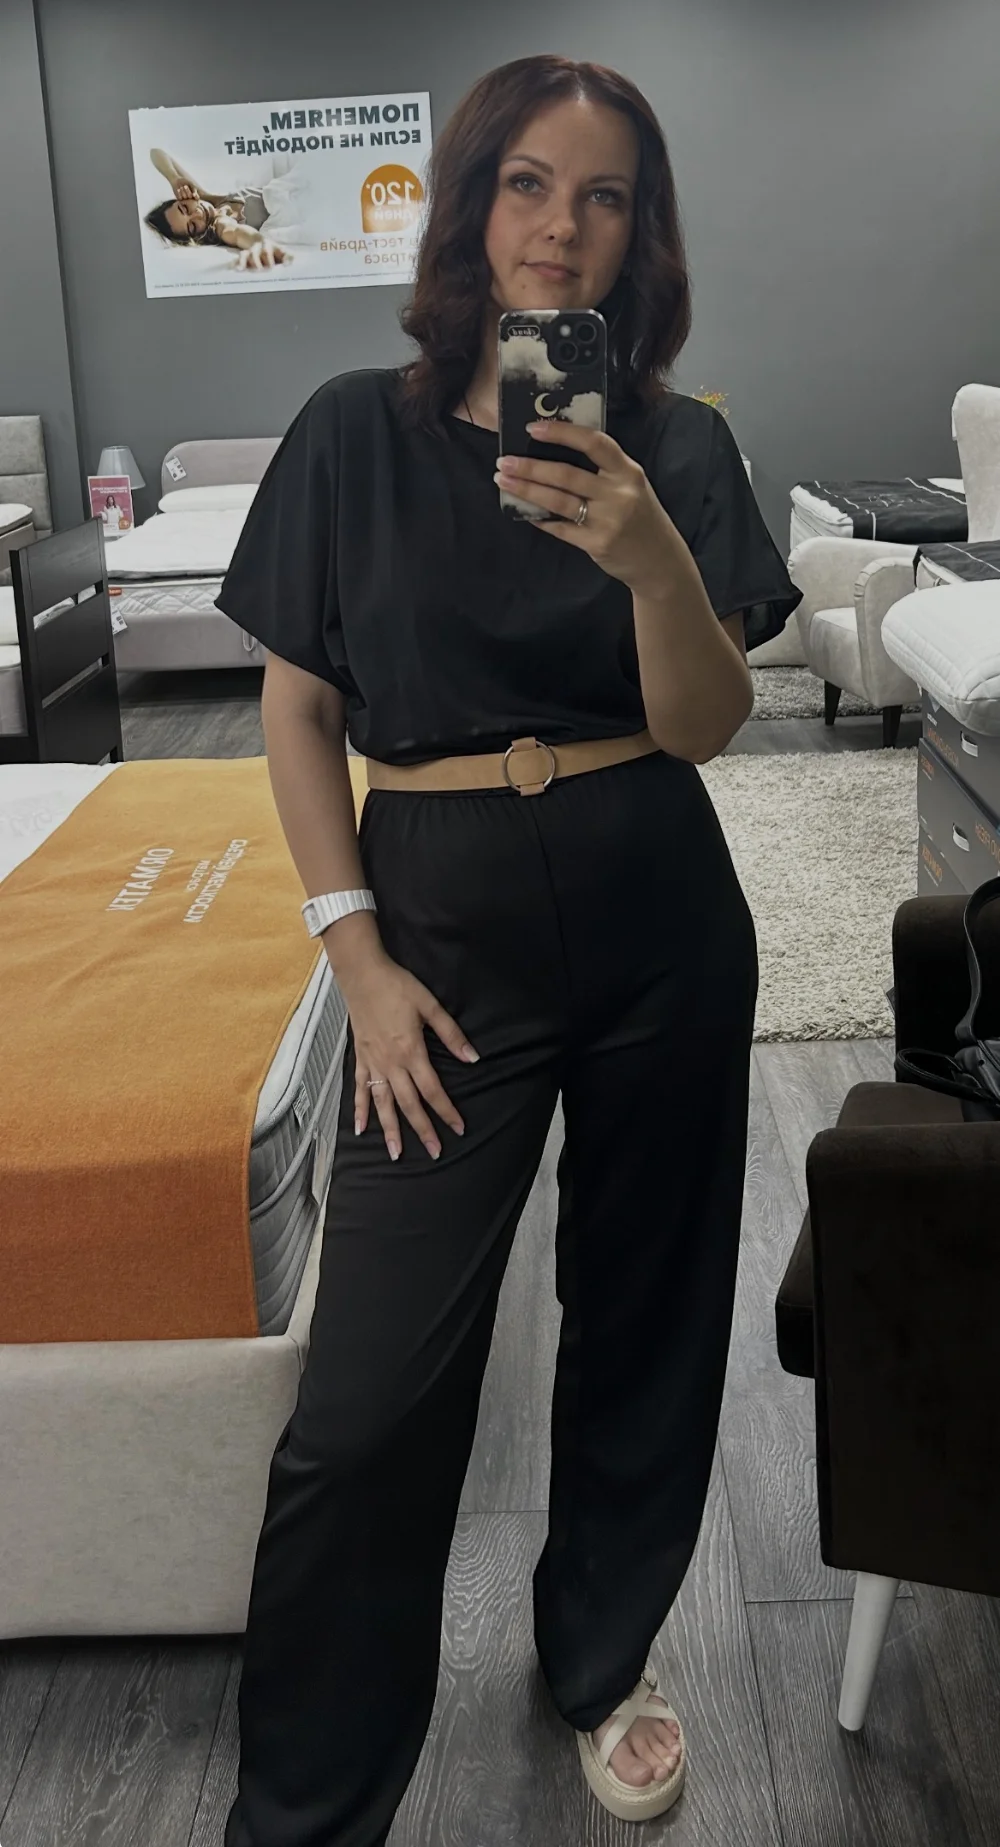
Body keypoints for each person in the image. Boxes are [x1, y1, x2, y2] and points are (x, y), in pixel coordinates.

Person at [215, 52, 803, 1847]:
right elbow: (299, 711)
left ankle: (601, 1655)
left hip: (659, 915)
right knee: (367, 1403)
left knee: (646, 1316)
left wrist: (653, 561)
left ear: (643, 231)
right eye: (530, 184)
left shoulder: (679, 447)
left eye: (606, 195)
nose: (564, 227)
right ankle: (306, 1805)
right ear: (471, 206)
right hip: (438, 940)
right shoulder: (351, 432)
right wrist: (354, 956)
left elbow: (706, 727)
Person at [144, 147, 298, 270]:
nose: (197, 215)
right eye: (192, 226)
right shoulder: (219, 225)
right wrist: (259, 243)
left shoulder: (208, 199)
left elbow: (156, 152)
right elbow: (236, 233)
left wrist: (174, 179)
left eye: (184, 208)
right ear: (196, 236)